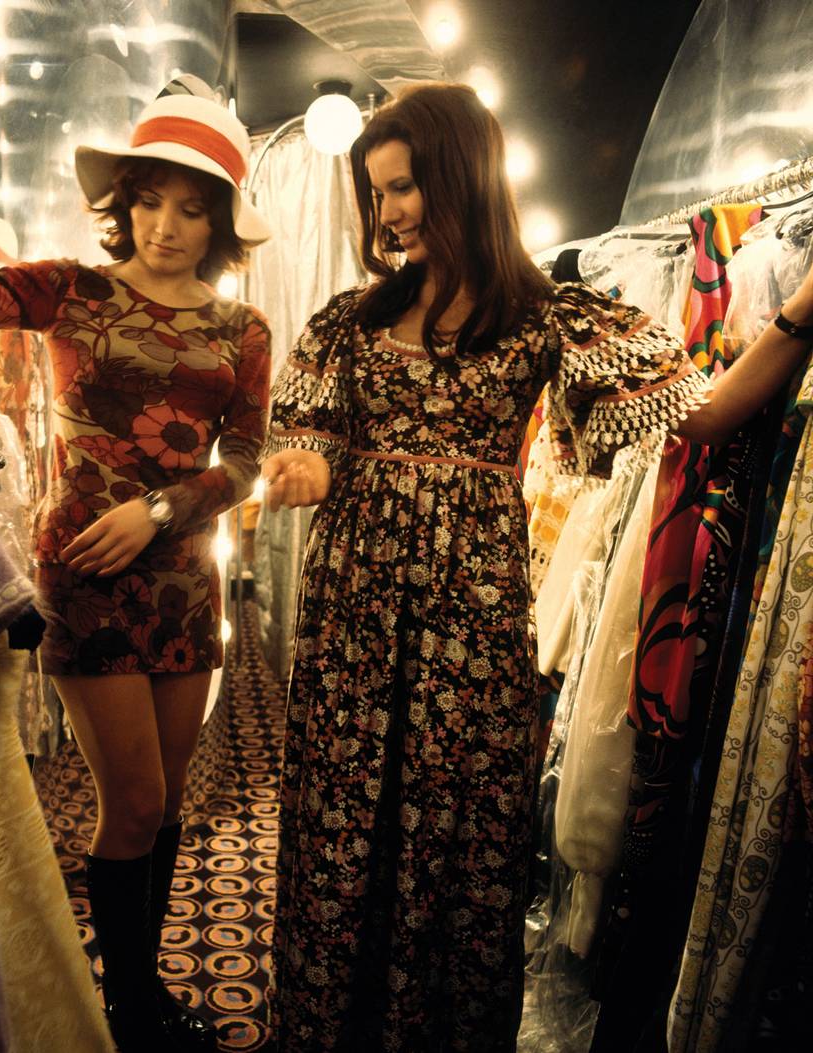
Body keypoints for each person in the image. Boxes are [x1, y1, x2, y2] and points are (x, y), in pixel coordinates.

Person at [260, 81, 813, 1053]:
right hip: (349, 617)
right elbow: (301, 438)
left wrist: (800, 317)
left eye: (403, 187)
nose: (387, 214)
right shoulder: (345, 321)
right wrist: (301, 466)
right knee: (342, 830)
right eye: (376, 194)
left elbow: (705, 414)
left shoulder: (552, 317)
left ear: (459, 173)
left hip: (470, 627)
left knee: (455, 835)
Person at [0, 93, 273, 1052]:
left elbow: (247, 460)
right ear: (121, 203)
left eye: (192, 208)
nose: (165, 227)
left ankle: (146, 991)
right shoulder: (71, 289)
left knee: (165, 803)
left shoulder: (242, 329)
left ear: (218, 222)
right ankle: (126, 1009)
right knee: (129, 801)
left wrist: (162, 509)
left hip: (183, 580)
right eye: (149, 201)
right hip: (86, 571)